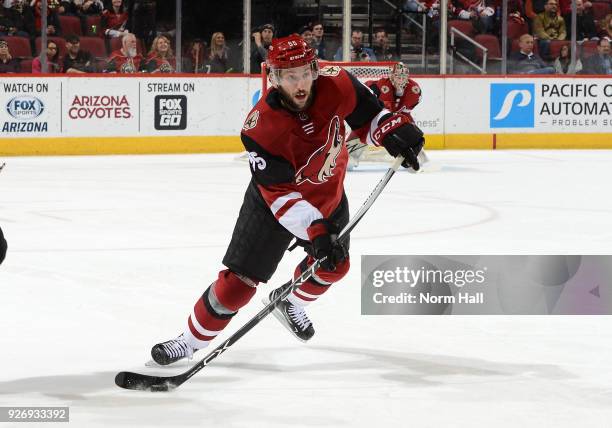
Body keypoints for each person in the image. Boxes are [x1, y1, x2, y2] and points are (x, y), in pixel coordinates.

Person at [149, 34, 425, 365]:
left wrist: (394, 132)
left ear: (314, 68)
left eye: (305, 73)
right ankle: (189, 341)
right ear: (275, 78)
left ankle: (291, 301)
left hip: (329, 195)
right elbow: (280, 194)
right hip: (273, 204)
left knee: (334, 267)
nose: (300, 84)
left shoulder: (336, 81)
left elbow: (369, 117)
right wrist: (316, 230)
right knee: (238, 287)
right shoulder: (261, 127)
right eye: (290, 76)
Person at [346, 62, 423, 167]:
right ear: (391, 76)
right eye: (397, 76)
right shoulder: (378, 87)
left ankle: (417, 155)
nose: (400, 79)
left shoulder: (414, 91)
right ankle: (350, 154)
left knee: (412, 132)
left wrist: (410, 131)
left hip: (389, 116)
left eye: (403, 76)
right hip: (372, 115)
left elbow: (406, 114)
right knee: (362, 132)